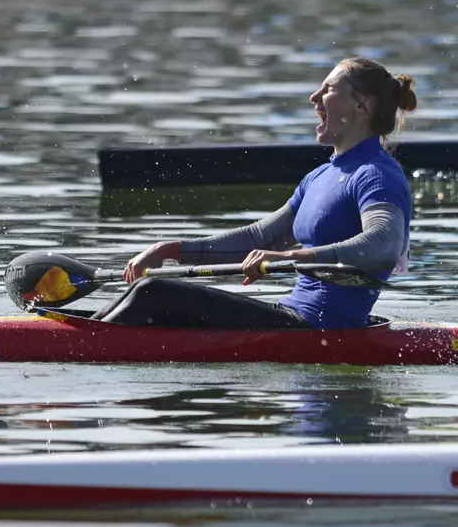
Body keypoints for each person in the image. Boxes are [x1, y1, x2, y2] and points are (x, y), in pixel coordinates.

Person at [92, 56, 417, 330]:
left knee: (153, 292)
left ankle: (80, 346)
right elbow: (258, 239)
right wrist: (169, 249)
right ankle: (78, 332)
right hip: (293, 315)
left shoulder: (377, 175)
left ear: (363, 105)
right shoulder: (320, 176)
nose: (314, 98)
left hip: (321, 328)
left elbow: (383, 245)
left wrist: (289, 257)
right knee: (143, 292)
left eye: (329, 89)